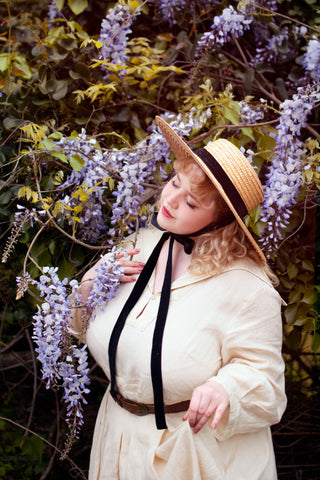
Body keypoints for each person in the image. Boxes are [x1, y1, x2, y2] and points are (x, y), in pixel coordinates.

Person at [72, 116, 287, 480]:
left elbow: (267, 385)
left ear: (219, 221)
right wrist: (89, 288)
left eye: (191, 202)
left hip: (193, 456)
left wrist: (225, 388)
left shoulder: (248, 288)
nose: (170, 200)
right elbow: (80, 327)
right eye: (175, 182)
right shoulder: (139, 246)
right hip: (119, 440)